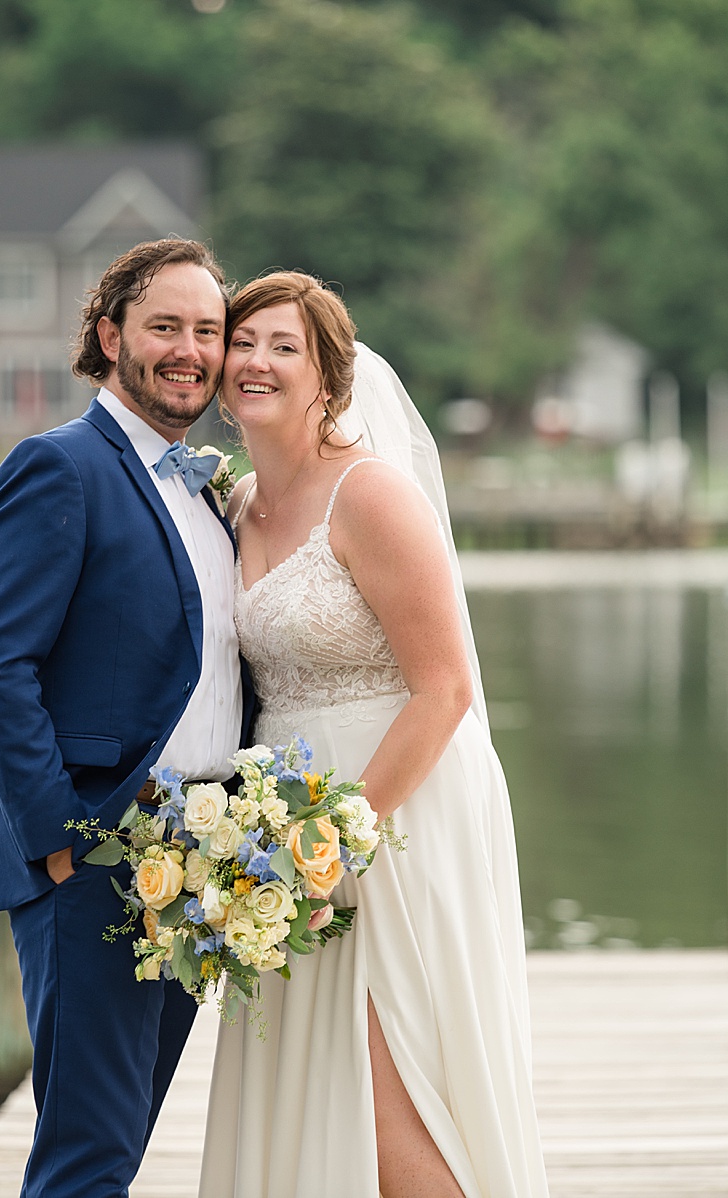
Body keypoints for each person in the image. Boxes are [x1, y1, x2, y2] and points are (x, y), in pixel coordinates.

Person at [199, 271, 549, 1198]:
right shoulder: (232, 506)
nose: (258, 361)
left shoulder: (372, 495)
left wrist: (338, 838)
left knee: (391, 1084)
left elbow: (445, 690)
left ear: (330, 379)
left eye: (286, 347)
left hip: (396, 812)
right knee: (318, 1084)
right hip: (281, 825)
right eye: (244, 342)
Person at [0, 238, 254, 1197]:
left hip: (200, 866)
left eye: (207, 331)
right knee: (86, 1159)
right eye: (165, 326)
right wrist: (61, 845)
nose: (189, 350)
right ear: (109, 332)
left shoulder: (204, 489)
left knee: (112, 1149)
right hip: (96, 861)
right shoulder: (58, 468)